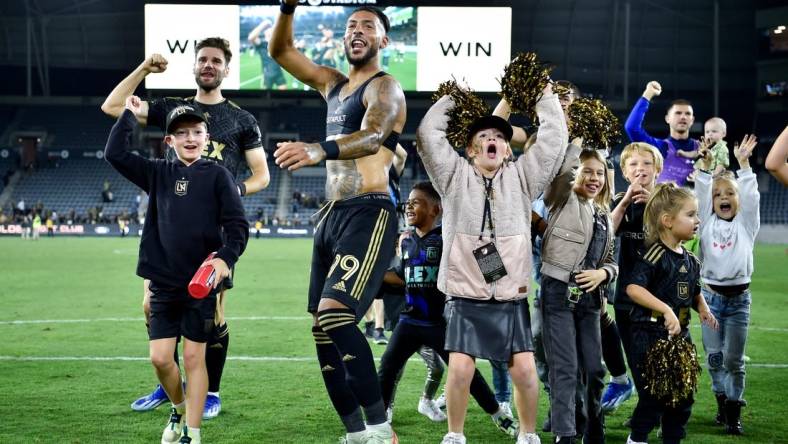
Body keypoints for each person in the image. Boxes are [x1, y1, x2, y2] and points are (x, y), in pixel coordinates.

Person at [101, 36, 270, 419]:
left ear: (227, 69)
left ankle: (211, 391)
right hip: (168, 225)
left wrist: (228, 191)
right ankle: (170, 382)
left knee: (212, 316)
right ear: (194, 66)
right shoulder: (173, 109)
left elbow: (262, 176)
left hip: (216, 235)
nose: (208, 65)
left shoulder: (242, 120)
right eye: (202, 60)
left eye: (216, 61)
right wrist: (143, 70)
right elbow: (113, 107)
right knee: (150, 304)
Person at [269, 3, 406, 442]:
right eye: (351, 25)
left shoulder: (386, 88)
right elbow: (281, 52)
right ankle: (355, 433)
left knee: (335, 316)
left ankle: (380, 427)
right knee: (321, 330)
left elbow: (373, 137)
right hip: (331, 216)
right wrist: (288, 8)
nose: (357, 31)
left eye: (368, 26)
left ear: (384, 40)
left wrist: (318, 149)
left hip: (369, 211)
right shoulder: (333, 84)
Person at [418, 81, 567, 444]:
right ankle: (455, 434)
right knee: (461, 367)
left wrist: (543, 96)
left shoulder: (522, 178)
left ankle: (528, 435)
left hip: (509, 295)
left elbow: (553, 139)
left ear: (505, 148)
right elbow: (427, 135)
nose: (493, 140)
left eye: (499, 137)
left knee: (526, 371)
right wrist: (454, 98)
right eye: (483, 136)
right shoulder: (452, 176)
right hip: (466, 295)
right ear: (470, 149)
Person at [105, 97, 249, 444]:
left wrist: (224, 258)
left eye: (197, 132)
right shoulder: (157, 172)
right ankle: (179, 406)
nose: (190, 138)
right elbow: (115, 154)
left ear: (206, 137)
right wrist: (128, 113)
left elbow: (237, 225)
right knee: (160, 358)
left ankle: (192, 434)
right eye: (181, 133)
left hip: (200, 285)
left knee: (193, 357)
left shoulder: (219, 175)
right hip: (164, 283)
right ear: (168, 140)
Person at [377, 182, 518, 435]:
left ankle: (498, 414)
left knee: (466, 373)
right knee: (388, 365)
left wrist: (498, 279)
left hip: (440, 322)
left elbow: (486, 258)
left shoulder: (447, 236)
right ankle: (380, 419)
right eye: (408, 202)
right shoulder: (407, 241)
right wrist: (372, 276)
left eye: (416, 201)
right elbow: (402, 275)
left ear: (435, 210)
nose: (409, 205)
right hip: (409, 321)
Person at [625, 183, 717, 444]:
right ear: (667, 221)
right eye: (690, 215)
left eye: (697, 214)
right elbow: (633, 288)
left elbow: (693, 289)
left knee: (683, 393)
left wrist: (703, 308)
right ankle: (638, 438)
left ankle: (673, 437)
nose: (697, 220)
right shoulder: (654, 254)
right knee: (654, 394)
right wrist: (665, 309)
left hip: (681, 337)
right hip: (649, 334)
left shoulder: (691, 260)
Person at [539, 150, 617, 444]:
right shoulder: (562, 199)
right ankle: (566, 433)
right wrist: (578, 135)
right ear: (575, 173)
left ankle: (593, 425)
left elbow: (610, 259)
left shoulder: (604, 215)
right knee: (565, 368)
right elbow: (562, 172)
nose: (594, 178)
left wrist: (603, 275)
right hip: (558, 293)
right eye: (587, 171)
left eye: (599, 172)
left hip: (590, 300)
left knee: (595, 370)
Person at [696, 135, 759, 435]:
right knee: (715, 358)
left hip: (738, 303)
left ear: (739, 199)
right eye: (717, 193)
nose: (724, 197)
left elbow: (751, 194)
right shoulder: (706, 222)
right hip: (710, 300)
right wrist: (706, 169)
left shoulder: (747, 225)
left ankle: (734, 412)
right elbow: (700, 193)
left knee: (734, 360)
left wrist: (744, 165)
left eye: (730, 193)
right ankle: (723, 401)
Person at [624, 81, 699, 187]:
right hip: (663, 203)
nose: (683, 117)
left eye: (687, 114)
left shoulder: (703, 149)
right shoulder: (659, 147)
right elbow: (632, 128)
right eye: (678, 113)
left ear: (692, 120)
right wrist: (648, 94)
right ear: (667, 119)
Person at [247, 19, 288, 90]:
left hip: (279, 73)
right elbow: (251, 37)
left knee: (284, 96)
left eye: (271, 29)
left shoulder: (277, 44)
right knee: (264, 98)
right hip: (267, 74)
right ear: (265, 32)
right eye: (268, 29)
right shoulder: (261, 44)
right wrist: (263, 24)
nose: (270, 30)